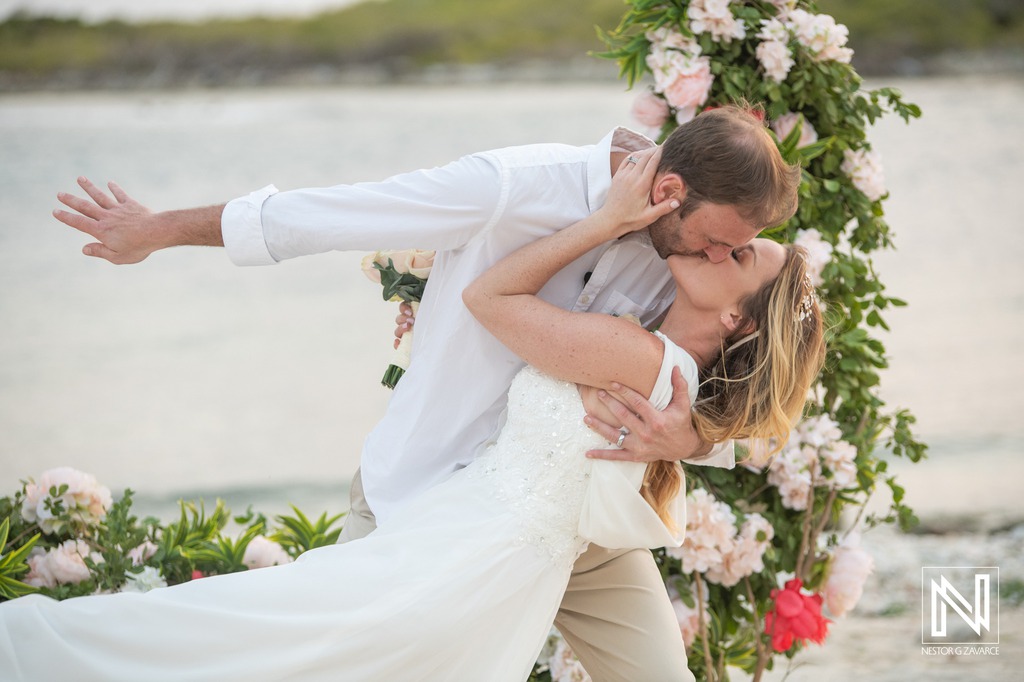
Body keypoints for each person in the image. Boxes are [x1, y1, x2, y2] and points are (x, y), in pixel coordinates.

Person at [0, 148, 825, 681]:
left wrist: (694, 436)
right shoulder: (513, 190)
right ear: (670, 190)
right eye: (724, 239)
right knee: (312, 650)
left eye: (739, 247)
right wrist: (158, 229)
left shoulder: (692, 267)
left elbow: (751, 378)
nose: (721, 253)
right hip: (432, 496)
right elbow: (325, 214)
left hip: (578, 533)